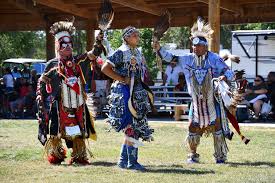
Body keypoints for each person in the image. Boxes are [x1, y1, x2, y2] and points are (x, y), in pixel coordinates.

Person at [153, 18, 234, 164]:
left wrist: (223, 77)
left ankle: (220, 155)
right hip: (196, 101)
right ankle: (193, 154)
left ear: (205, 46)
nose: (195, 48)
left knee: (217, 126)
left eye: (198, 46)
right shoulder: (186, 59)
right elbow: (169, 57)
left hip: (212, 100)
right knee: (192, 127)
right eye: (193, 46)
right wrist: (159, 48)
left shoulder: (214, 59)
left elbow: (230, 73)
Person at [36, 20, 100, 165]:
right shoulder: (52, 64)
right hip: (59, 104)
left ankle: (79, 155)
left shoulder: (77, 60)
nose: (68, 47)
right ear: (58, 46)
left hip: (77, 103)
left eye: (70, 44)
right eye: (63, 44)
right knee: (56, 131)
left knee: (78, 131)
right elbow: (42, 83)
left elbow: (92, 54)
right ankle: (57, 154)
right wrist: (42, 102)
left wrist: (98, 43)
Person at [101, 26, 154, 171]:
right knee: (131, 127)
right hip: (125, 93)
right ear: (126, 38)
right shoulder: (120, 52)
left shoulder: (137, 51)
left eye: (138, 35)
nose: (137, 37)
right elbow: (105, 68)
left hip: (136, 92)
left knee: (134, 127)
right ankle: (132, 162)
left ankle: (123, 161)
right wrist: (121, 79)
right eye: (134, 35)